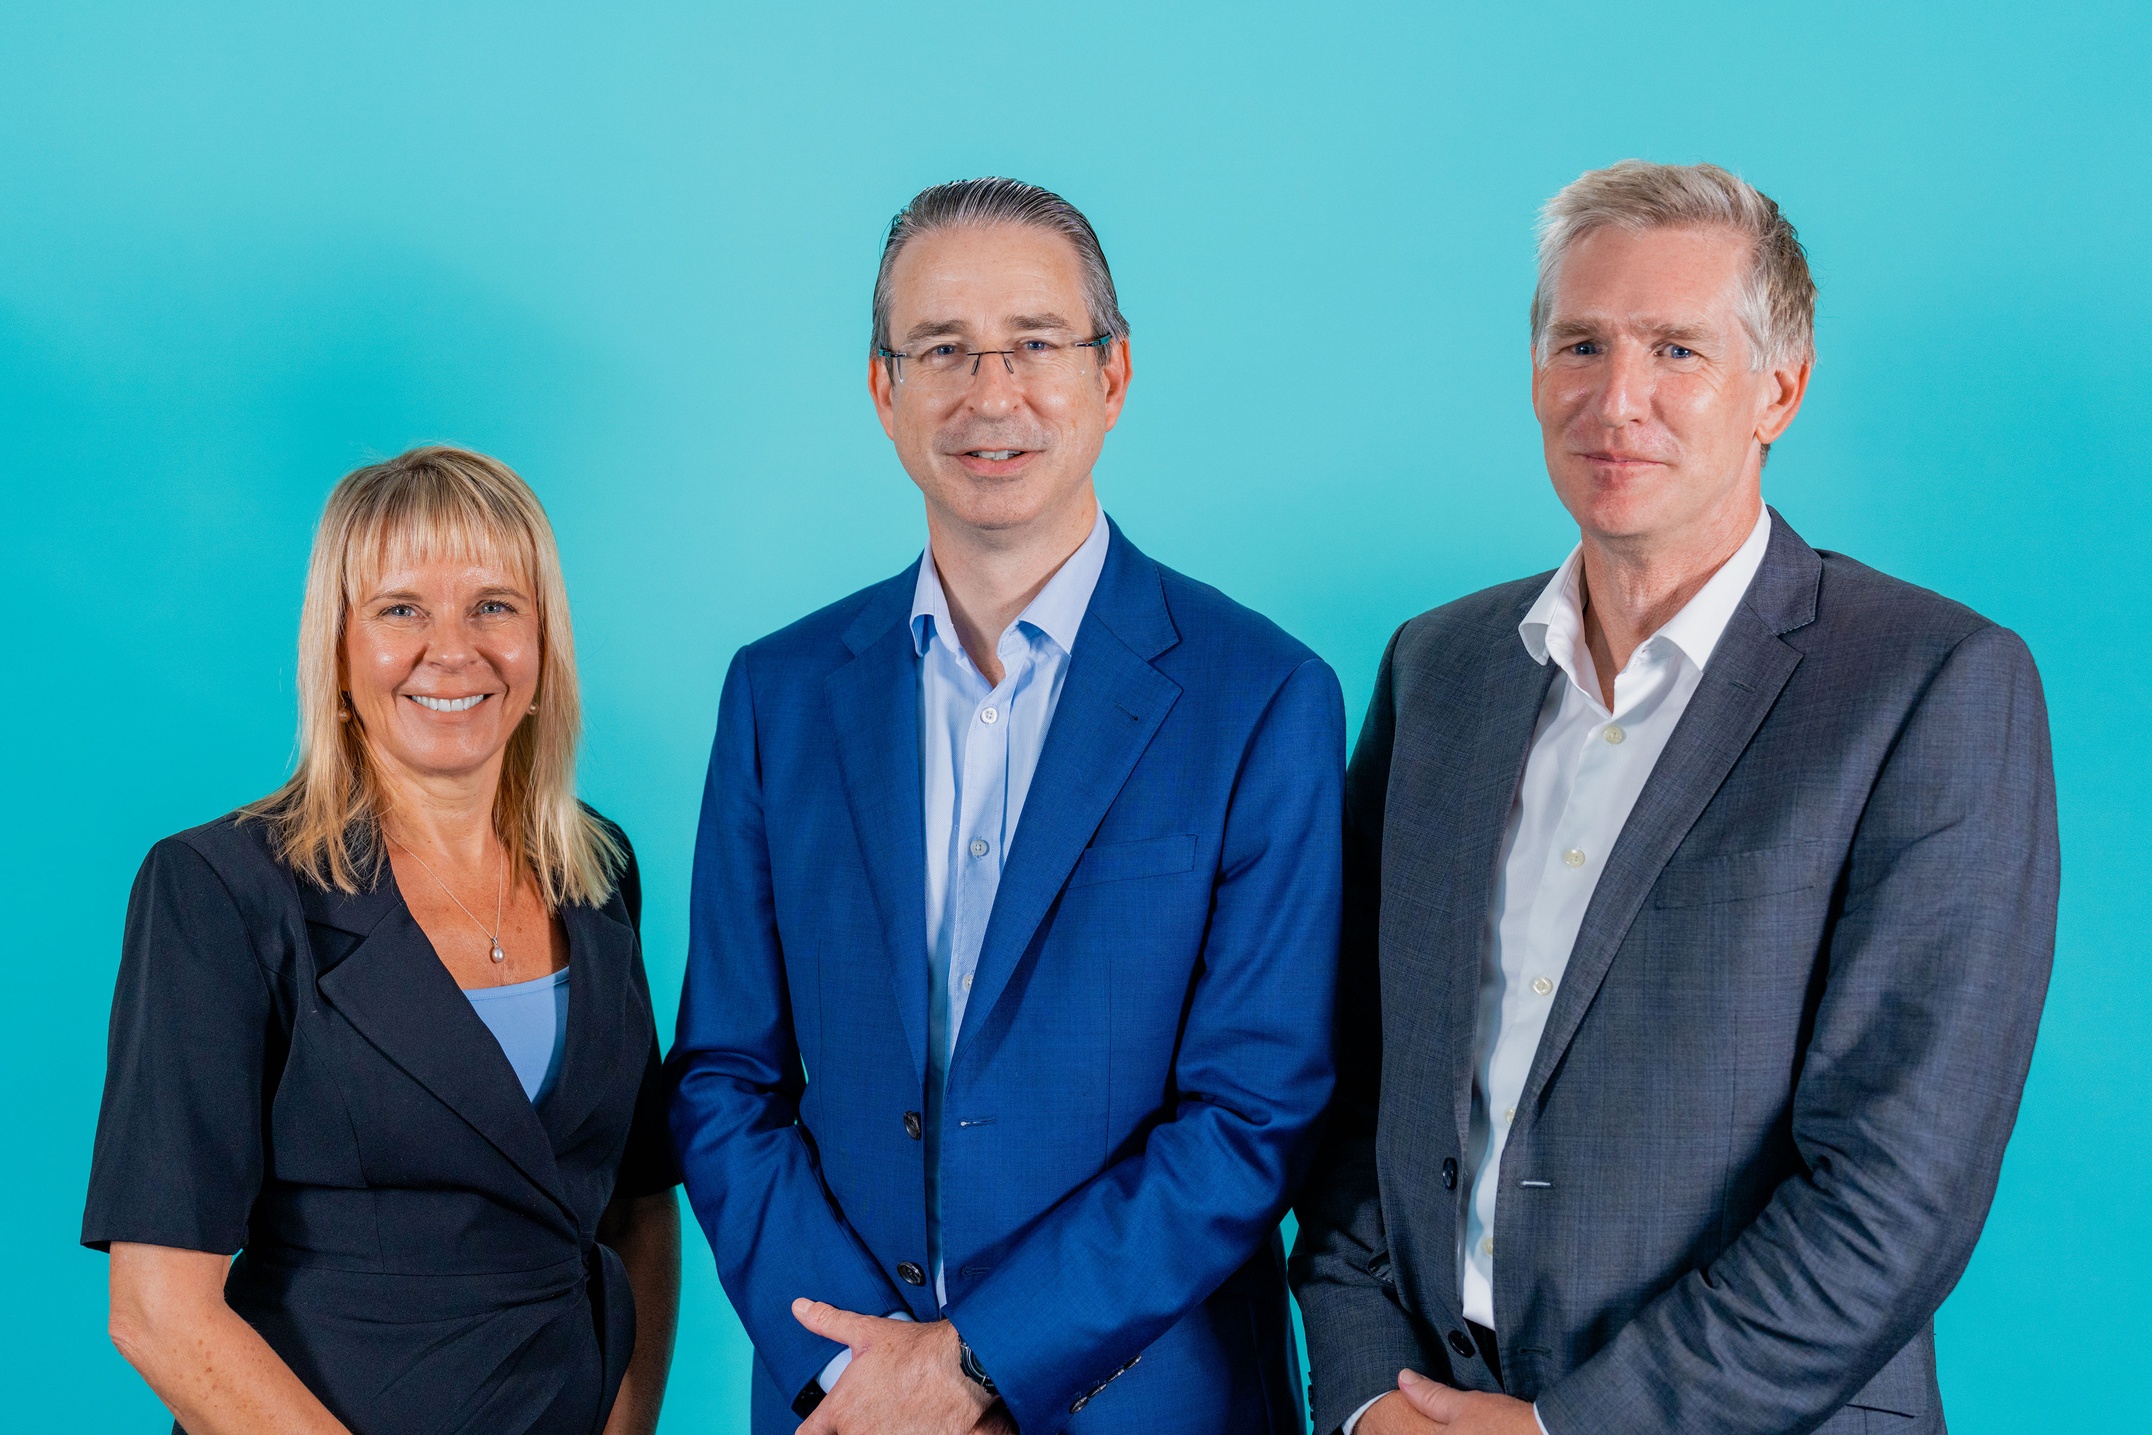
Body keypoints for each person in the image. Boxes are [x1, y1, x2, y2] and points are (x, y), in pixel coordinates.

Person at [1291, 161, 2059, 1435]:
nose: (1615, 399)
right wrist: (1368, 1391)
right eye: (1578, 342)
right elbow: (1360, 1086)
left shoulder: (1930, 688)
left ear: (1780, 388)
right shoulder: (1440, 670)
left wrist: (1563, 1432)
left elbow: (1894, 1191)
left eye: (1677, 349)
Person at [667, 177, 1345, 1435]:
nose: (993, 394)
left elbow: (1257, 1113)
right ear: (883, 388)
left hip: (1151, 1403)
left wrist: (972, 1362)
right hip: (845, 1403)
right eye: (942, 350)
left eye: (1035, 343)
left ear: (1112, 373)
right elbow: (721, 1076)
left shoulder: (1262, 697)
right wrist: (861, 1375)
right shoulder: (780, 693)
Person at [84, 446, 681, 1435]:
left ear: (543, 647)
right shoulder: (221, 890)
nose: (453, 650)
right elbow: (158, 1310)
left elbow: (638, 1210)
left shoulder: (600, 869)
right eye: (402, 608)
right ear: (339, 650)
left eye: (494, 604)